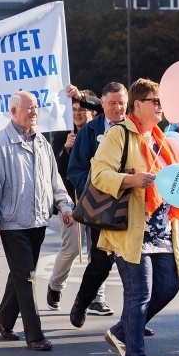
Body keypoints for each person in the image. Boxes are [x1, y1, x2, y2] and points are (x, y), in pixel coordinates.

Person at [96, 78, 179, 356]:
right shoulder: (119, 134)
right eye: (155, 101)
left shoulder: (158, 137)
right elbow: (99, 173)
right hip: (131, 229)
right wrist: (131, 180)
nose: (161, 105)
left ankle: (121, 332)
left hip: (159, 230)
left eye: (161, 101)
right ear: (138, 105)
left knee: (168, 287)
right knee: (139, 294)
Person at [0, 91, 74, 351]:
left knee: (21, 273)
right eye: (28, 108)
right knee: (27, 276)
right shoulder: (0, 143)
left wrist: (64, 205)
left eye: (35, 107)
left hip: (38, 220)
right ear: (13, 111)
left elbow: (54, 180)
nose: (33, 111)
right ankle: (35, 335)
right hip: (12, 222)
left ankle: (2, 320)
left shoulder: (41, 142)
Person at [66, 82, 128, 326]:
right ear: (102, 104)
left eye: (121, 103)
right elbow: (75, 170)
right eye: (112, 103)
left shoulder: (133, 128)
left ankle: (135, 320)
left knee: (135, 267)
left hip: (130, 205)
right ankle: (83, 301)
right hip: (100, 206)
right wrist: (95, 188)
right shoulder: (89, 132)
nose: (117, 108)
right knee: (101, 263)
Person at [45, 88, 99, 310]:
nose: (77, 113)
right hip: (70, 200)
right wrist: (65, 149)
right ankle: (55, 286)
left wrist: (85, 97)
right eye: (74, 109)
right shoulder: (62, 134)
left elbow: (103, 103)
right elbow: (52, 169)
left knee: (98, 250)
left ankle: (97, 297)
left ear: (93, 112)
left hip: (97, 200)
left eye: (82, 109)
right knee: (72, 248)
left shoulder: (100, 132)